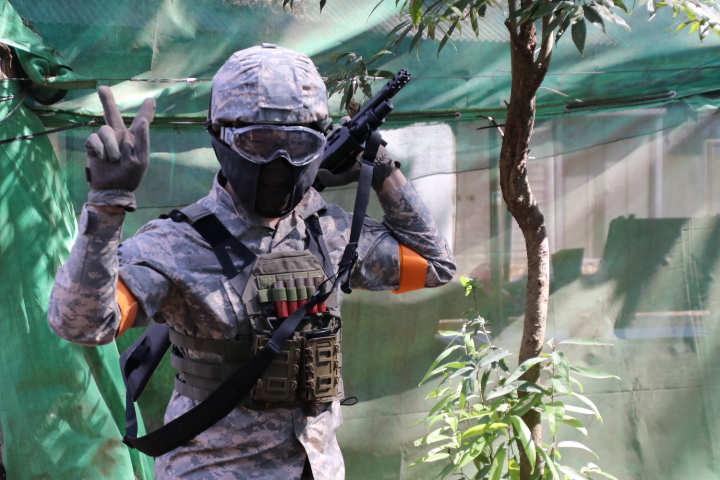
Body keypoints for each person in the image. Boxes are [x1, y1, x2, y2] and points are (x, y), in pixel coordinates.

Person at [48, 44, 456, 480]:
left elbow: (435, 265)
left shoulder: (329, 232)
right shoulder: (175, 243)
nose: (279, 162)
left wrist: (383, 169)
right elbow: (81, 324)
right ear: (219, 137)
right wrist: (107, 204)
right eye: (257, 143)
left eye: (298, 144)